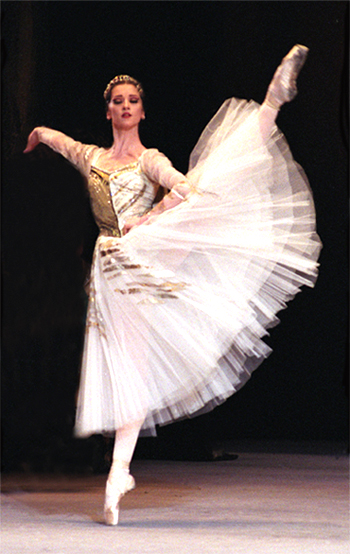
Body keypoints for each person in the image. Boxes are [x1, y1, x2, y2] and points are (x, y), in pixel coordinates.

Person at [24, 45, 321, 525]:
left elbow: (175, 181)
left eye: (132, 100)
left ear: (142, 111)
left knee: (214, 178)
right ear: (108, 111)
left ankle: (271, 104)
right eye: (117, 100)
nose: (125, 106)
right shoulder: (94, 158)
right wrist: (37, 134)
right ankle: (119, 472)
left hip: (143, 255)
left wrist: (168, 204)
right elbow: (61, 141)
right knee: (127, 374)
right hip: (109, 269)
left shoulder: (149, 159)